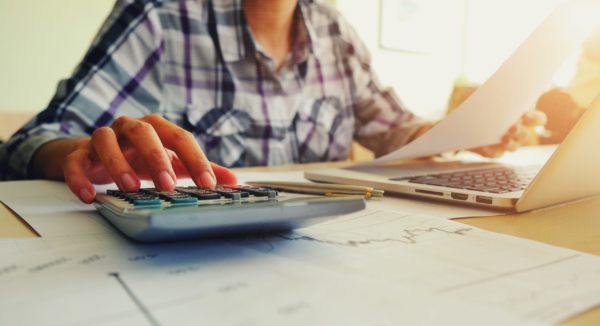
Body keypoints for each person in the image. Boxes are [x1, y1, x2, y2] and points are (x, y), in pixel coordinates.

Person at [0, 0, 535, 203]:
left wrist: (469, 130)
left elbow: (392, 128)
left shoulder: (334, 29)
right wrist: (82, 153)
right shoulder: (161, 16)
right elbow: (31, 141)